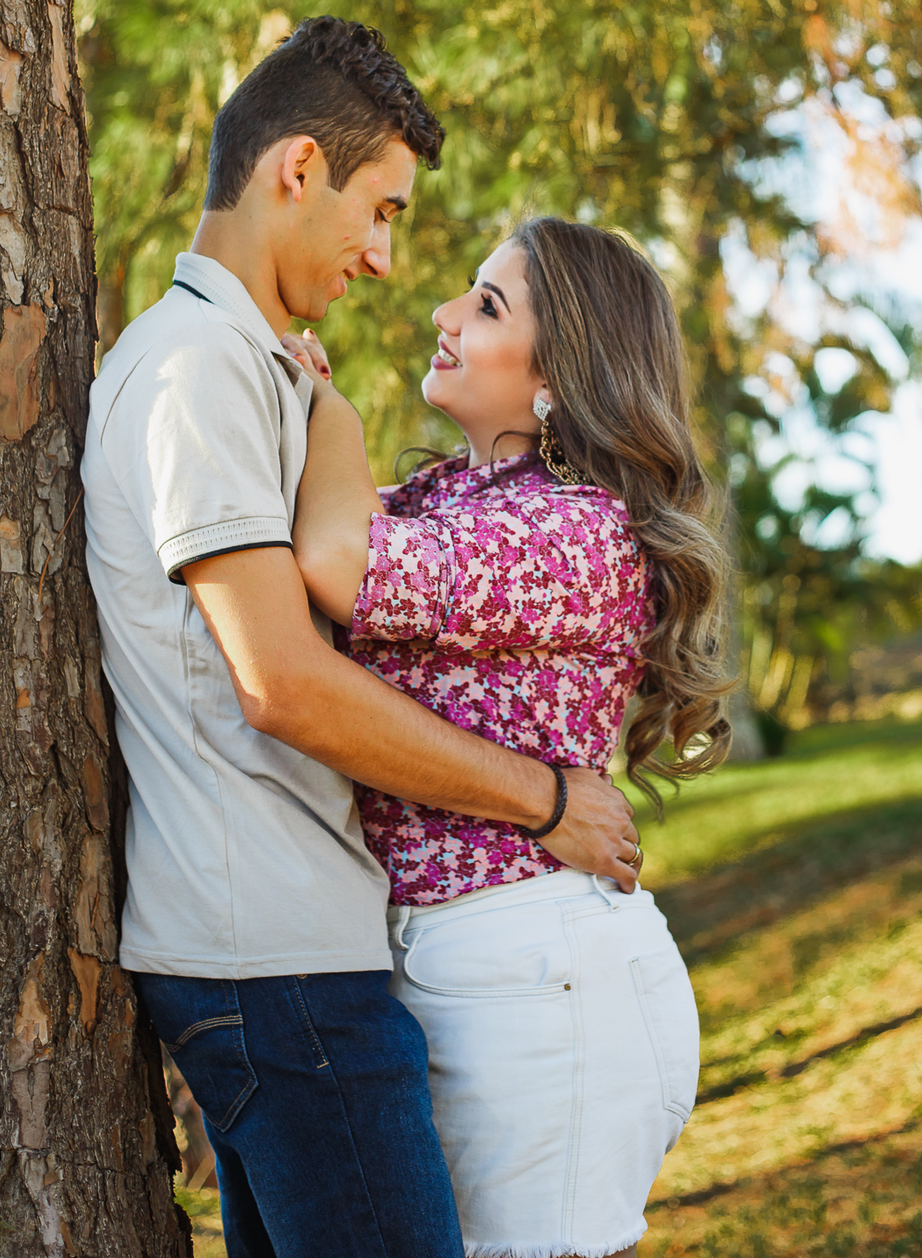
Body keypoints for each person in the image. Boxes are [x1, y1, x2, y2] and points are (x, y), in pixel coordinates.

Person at [81, 20, 640, 1258]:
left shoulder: (248, 366)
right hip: (281, 972)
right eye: (377, 210)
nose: (386, 258)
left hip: (290, 960)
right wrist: (548, 798)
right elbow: (280, 682)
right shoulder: (195, 371)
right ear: (294, 171)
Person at [285, 215, 732, 1258]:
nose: (444, 313)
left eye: (487, 305)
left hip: (541, 985)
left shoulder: (576, 529)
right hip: (480, 969)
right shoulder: (461, 494)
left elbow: (339, 559)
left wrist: (328, 409)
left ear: (558, 379)